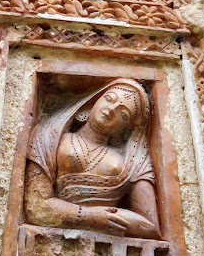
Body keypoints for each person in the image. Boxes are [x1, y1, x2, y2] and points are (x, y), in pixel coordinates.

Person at [24, 78, 160, 239]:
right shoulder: (49, 136)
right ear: (94, 101)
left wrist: (102, 218)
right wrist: (89, 217)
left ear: (125, 130)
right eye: (109, 99)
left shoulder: (130, 164)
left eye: (123, 114)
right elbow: (36, 207)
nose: (111, 110)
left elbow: (149, 226)